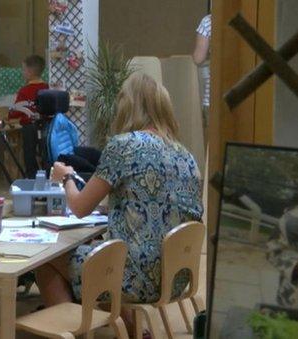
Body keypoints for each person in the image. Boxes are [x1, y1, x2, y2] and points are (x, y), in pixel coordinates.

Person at [35, 73, 203, 333]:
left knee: (47, 260)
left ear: (127, 106)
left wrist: (66, 176)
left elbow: (79, 207)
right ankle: (135, 331)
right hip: (177, 274)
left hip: (136, 277)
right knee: (103, 254)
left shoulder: (123, 146)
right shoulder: (185, 155)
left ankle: (71, 333)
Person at [9, 55, 49, 178]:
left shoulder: (24, 90)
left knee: (29, 153)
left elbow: (15, 112)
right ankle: (47, 176)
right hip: (46, 126)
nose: (22, 73)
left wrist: (11, 114)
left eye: (23, 69)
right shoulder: (47, 87)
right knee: (45, 152)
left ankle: (32, 177)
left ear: (30, 72)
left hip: (29, 127)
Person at [193, 13, 211, 147]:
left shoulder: (208, 21)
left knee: (211, 145)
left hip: (212, 96)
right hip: (243, 94)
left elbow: (198, 58)